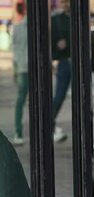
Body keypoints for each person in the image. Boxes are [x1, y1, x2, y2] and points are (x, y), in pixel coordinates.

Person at [50, 0, 70, 143]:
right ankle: (49, 126)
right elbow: (50, 42)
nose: (66, 4)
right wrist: (57, 47)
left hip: (79, 62)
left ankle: (86, 135)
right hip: (64, 62)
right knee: (59, 96)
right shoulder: (57, 20)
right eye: (64, 2)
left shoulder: (81, 18)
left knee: (84, 99)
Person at [11, 3, 28, 146]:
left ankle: (18, 131)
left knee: (21, 101)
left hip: (23, 68)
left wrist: (15, 69)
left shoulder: (16, 28)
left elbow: (14, 51)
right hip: (26, 68)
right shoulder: (20, 28)